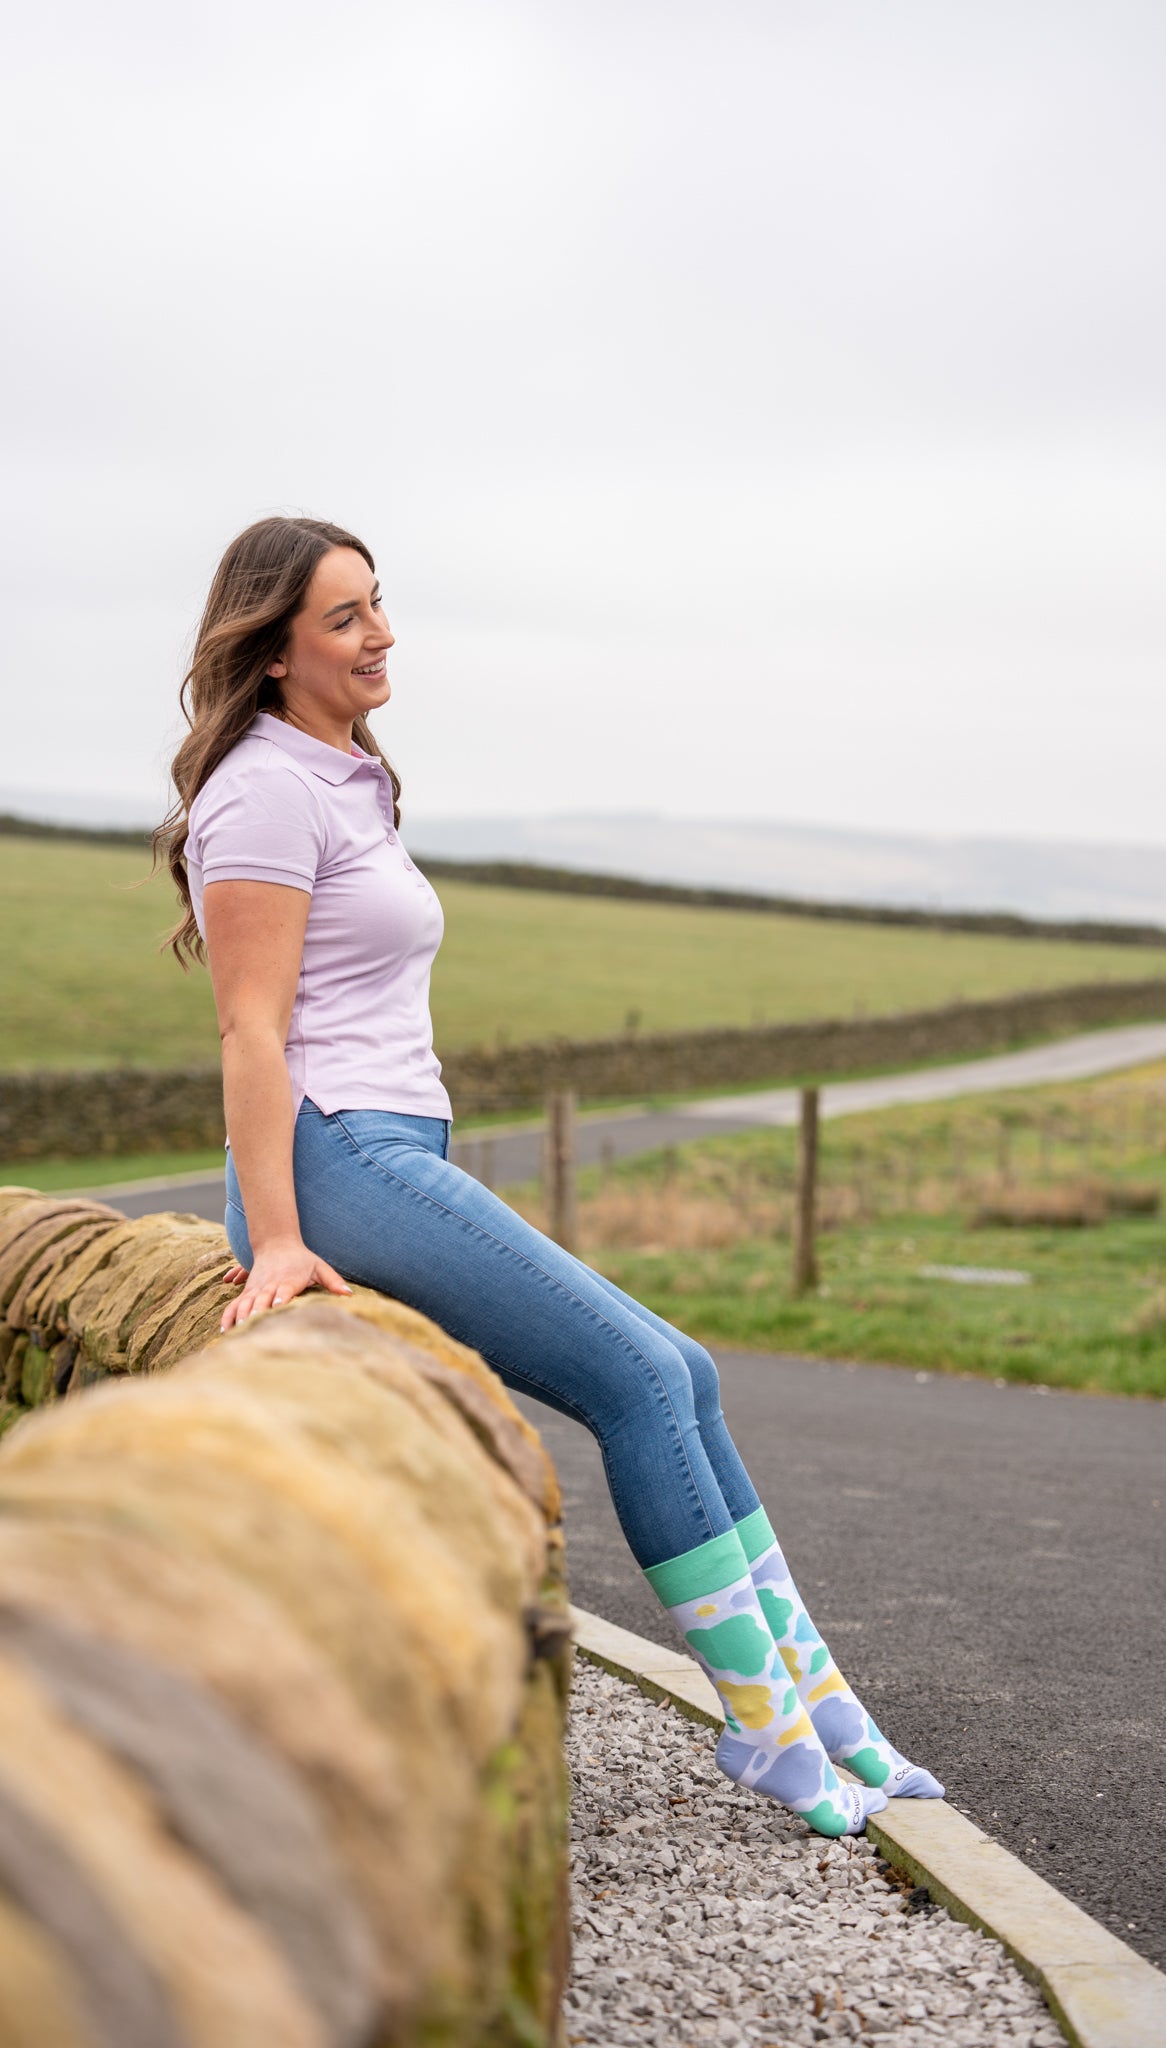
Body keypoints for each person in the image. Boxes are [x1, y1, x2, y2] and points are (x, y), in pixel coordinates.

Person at [156, 515, 944, 1839]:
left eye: (378, 605)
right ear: (274, 648)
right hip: (334, 1152)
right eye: (343, 617)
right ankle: (764, 1731)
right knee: (636, 1381)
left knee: (684, 1369)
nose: (380, 633)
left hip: (387, 1143)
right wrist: (276, 1239)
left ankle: (828, 1709)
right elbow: (248, 1028)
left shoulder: (347, 774)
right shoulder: (261, 789)